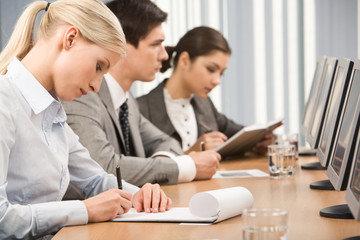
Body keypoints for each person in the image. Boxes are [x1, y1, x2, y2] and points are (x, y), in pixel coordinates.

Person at [0, 1, 171, 239]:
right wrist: (85, 210)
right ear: (70, 39)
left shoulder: (53, 111)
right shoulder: (4, 101)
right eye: (99, 66)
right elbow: (2, 220)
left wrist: (137, 195)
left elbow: (95, 180)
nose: (96, 86)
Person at [62, 0, 221, 194]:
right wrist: (185, 166)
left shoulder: (127, 103)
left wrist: (155, 168)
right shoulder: (82, 95)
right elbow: (103, 168)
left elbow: (168, 143)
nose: (164, 56)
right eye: (156, 44)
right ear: (121, 45)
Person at [137, 26, 275, 155]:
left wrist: (260, 141)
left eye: (221, 73)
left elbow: (239, 135)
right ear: (184, 61)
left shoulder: (204, 103)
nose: (217, 81)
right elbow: (140, 168)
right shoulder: (140, 109)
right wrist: (191, 154)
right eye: (211, 69)